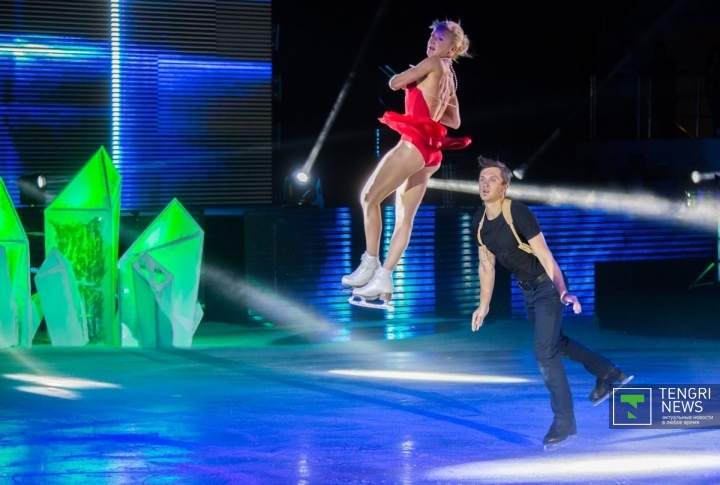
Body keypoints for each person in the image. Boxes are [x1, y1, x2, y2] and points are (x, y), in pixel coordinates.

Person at [470, 157, 632, 449]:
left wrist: (563, 291)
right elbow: (487, 265)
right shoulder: (479, 221)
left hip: (547, 287)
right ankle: (608, 372)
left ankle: (565, 420)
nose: (485, 183)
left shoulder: (517, 212)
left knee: (544, 353)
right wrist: (484, 304)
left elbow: (545, 255)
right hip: (527, 291)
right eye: (482, 179)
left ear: (504, 187)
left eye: (492, 179)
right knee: (555, 344)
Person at [342, 20, 472, 306]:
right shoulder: (450, 77)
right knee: (404, 219)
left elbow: (394, 82)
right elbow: (454, 120)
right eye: (432, 37)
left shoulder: (433, 63)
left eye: (439, 39)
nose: (432, 42)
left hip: (413, 145)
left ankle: (370, 264)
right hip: (430, 154)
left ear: (454, 47)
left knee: (368, 197)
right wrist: (427, 99)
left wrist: (412, 77)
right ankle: (385, 281)